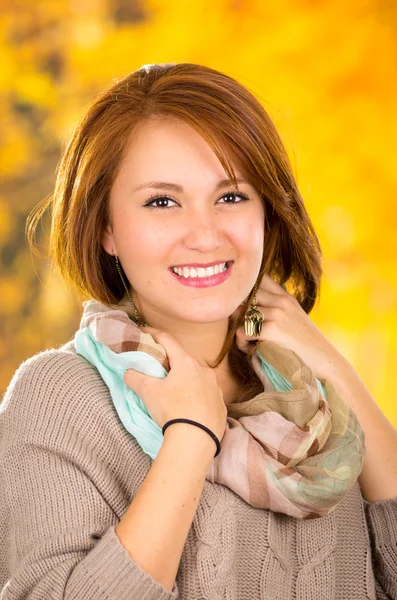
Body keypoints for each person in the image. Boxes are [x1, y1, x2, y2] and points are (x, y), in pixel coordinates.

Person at [1, 62, 396, 599]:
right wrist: (190, 436)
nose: (205, 235)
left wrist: (331, 365)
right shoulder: (59, 397)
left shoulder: (313, 396)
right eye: (162, 202)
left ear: (266, 213)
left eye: (231, 196)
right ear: (106, 229)